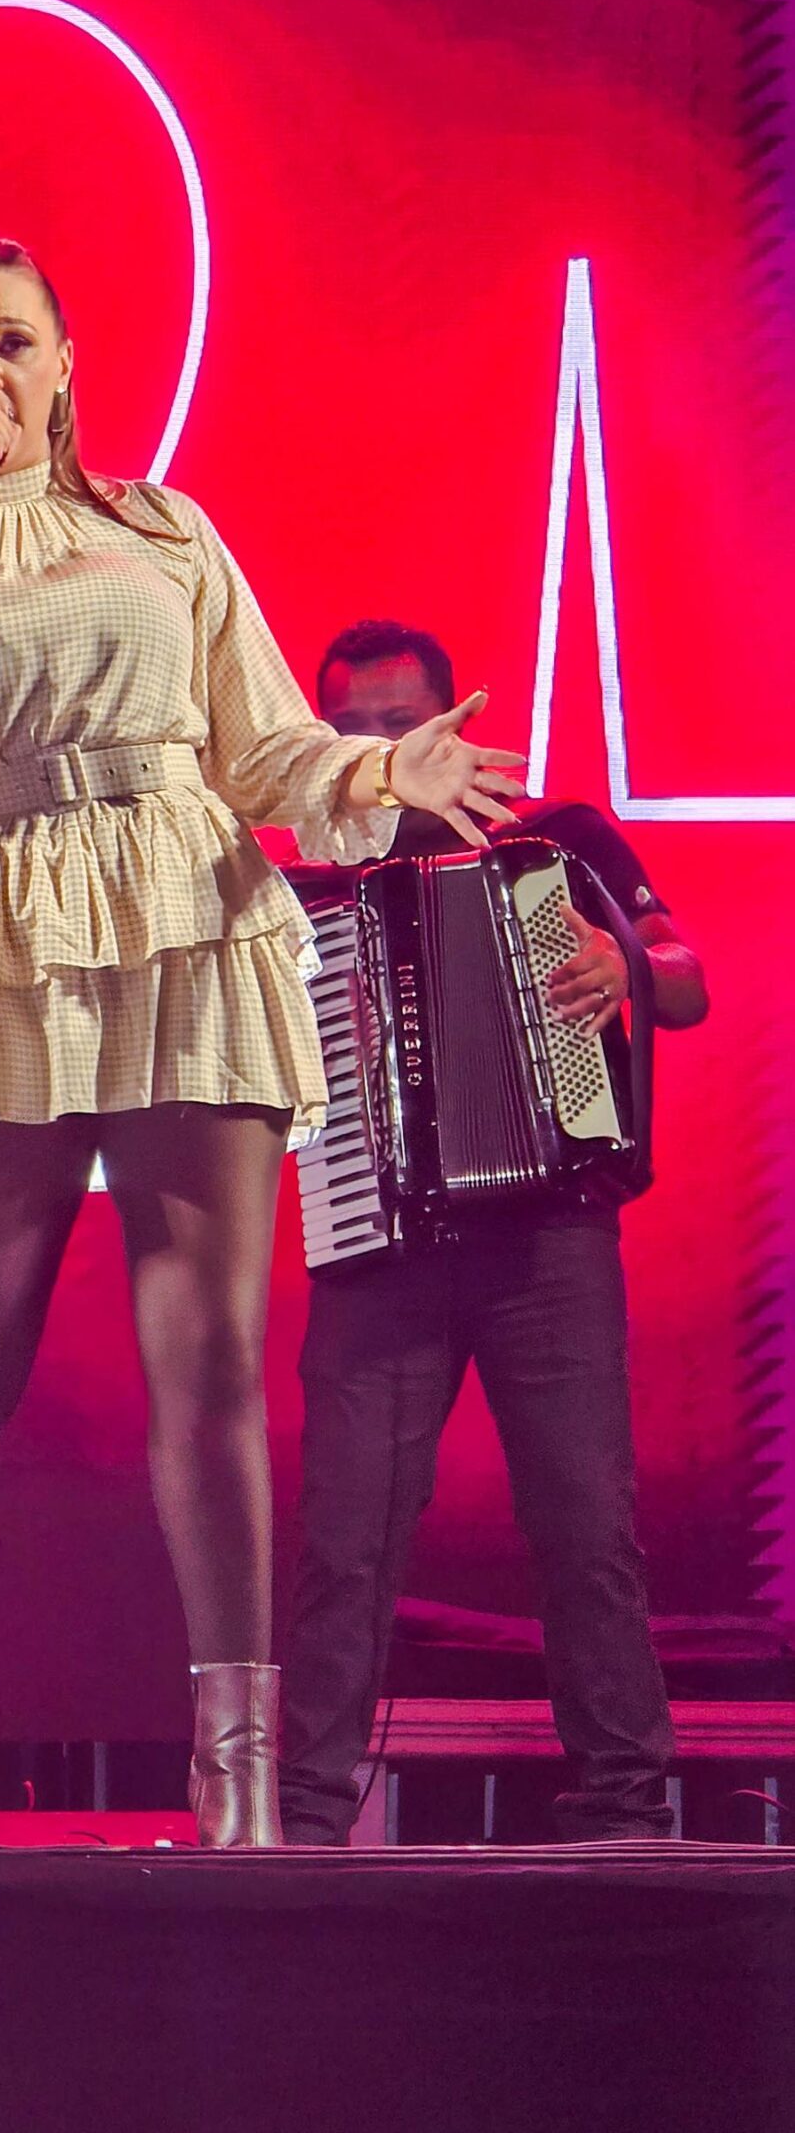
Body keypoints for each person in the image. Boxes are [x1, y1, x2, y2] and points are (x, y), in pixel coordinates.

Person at [0, 236, 523, 1848]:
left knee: (206, 1371)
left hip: (186, 915)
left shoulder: (164, 530)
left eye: (9, 339)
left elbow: (259, 749)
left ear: (63, 362)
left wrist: (374, 777)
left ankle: (237, 1785)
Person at [279, 620, 710, 1845]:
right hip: (380, 1242)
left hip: (548, 1239)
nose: (381, 744)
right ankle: (302, 1816)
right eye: (352, 727)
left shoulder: (557, 840)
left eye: (401, 721)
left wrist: (622, 960)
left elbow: (686, 976)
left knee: (586, 1527)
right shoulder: (310, 883)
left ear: (453, 724)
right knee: (346, 1540)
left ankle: (624, 1803)